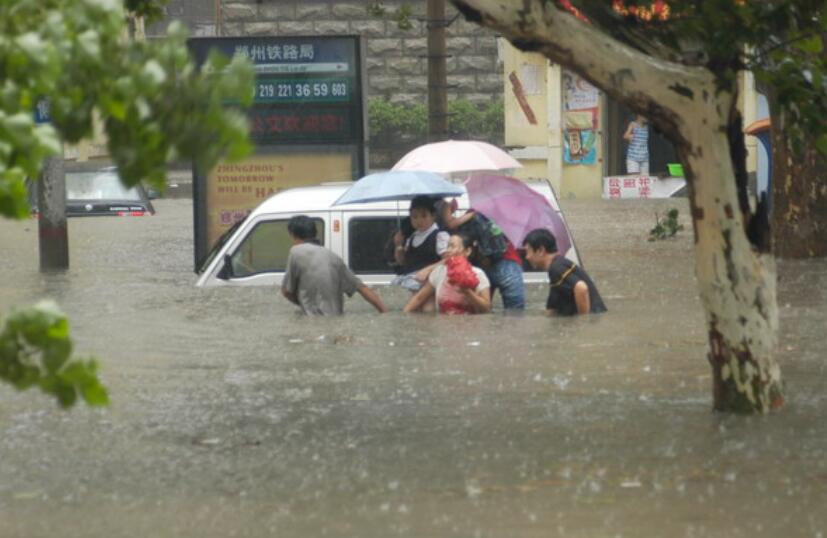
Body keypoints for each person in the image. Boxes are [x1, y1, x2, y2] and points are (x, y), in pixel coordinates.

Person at [281, 215, 386, 315]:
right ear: (314, 233)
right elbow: (362, 288)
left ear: (293, 234)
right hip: (336, 319)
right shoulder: (334, 257)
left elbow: (286, 291)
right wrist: (385, 312)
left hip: (312, 323)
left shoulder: (295, 251)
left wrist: (305, 305)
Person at [438, 199, 525, 310]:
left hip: (482, 266)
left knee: (480, 311)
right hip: (509, 262)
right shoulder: (509, 213)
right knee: (515, 314)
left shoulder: (474, 212)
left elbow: (454, 229)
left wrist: (447, 207)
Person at [522, 228, 607, 316]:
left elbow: (581, 288)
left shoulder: (557, 268)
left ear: (540, 250)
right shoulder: (555, 268)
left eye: (528, 251)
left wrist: (583, 323)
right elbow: (552, 308)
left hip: (593, 320)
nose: (527, 257)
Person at [403, 234, 492, 315]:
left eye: (452, 246)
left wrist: (467, 292)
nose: (448, 250)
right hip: (444, 328)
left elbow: (487, 308)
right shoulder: (440, 271)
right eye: (448, 246)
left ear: (467, 251)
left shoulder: (478, 274)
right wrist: (404, 314)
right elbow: (419, 298)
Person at [391, 195, 450, 292]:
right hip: (408, 278)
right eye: (414, 217)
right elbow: (403, 262)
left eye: (424, 216)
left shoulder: (440, 236)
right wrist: (398, 246)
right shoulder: (412, 237)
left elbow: (448, 260)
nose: (419, 221)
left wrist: (428, 270)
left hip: (428, 283)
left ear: (433, 216)